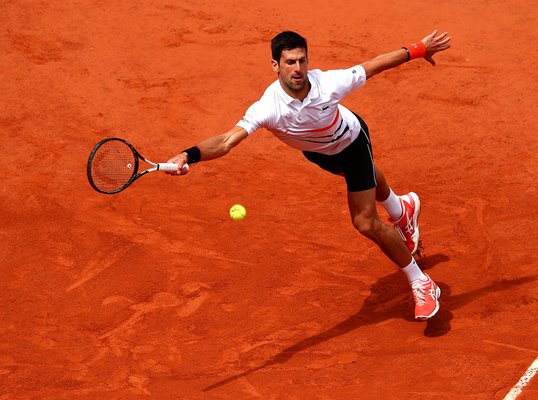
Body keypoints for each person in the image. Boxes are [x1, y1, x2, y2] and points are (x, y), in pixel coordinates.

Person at [167, 30, 452, 320]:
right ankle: (400, 207)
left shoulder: (327, 84)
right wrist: (188, 155)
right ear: (275, 65)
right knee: (362, 182)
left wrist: (418, 49)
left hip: (351, 142)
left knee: (365, 221)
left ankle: (421, 281)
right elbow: (227, 141)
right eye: (290, 62)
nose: (298, 69)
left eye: (302, 60)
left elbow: (374, 65)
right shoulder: (268, 107)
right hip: (319, 153)